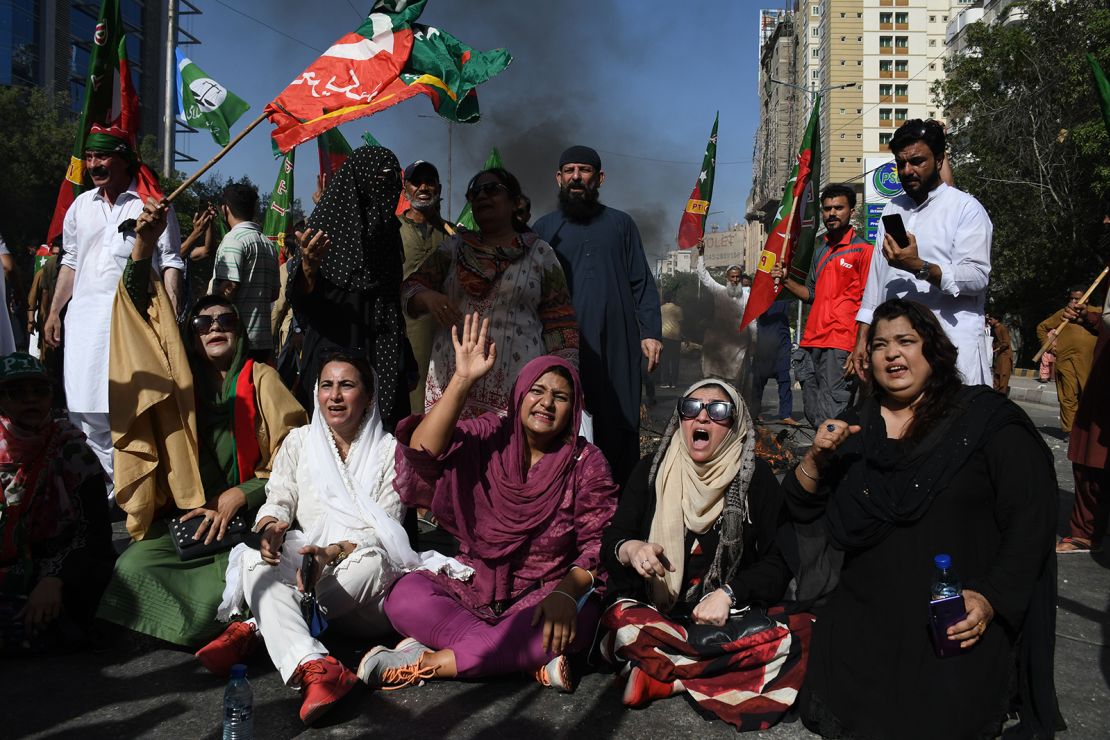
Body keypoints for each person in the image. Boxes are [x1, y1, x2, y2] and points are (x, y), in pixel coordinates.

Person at [784, 299, 1060, 739]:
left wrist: (990, 598)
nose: (892, 353)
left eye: (906, 341)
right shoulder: (856, 426)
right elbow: (800, 509)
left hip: (950, 632)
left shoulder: (984, 421)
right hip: (864, 637)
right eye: (879, 345)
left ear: (933, 351)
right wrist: (817, 458)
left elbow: (1032, 519)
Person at [198, 352, 468, 724]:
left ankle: (261, 626)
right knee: (250, 557)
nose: (335, 396)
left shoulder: (390, 451)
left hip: (362, 589)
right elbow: (278, 499)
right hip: (309, 568)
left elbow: (383, 532)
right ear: (316, 392)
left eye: (347, 385)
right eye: (327, 385)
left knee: (374, 559)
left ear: (369, 396)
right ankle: (317, 667)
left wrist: (331, 552)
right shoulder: (298, 442)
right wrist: (272, 527)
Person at [357, 316, 619, 692]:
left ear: (573, 408)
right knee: (401, 598)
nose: (546, 403)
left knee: (571, 623)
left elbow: (599, 544)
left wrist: (566, 593)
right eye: (537, 391)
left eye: (560, 397)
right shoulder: (490, 433)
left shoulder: (586, 462)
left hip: (547, 593)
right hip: (476, 587)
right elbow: (422, 451)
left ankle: (427, 663)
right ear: (520, 394)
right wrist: (462, 380)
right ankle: (518, 660)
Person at [95, 201, 306, 647]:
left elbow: (296, 458)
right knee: (130, 567)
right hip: (190, 524)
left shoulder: (262, 378)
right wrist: (144, 246)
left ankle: (232, 624)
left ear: (239, 329)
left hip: (249, 523)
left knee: (224, 597)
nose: (214, 327)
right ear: (191, 335)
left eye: (225, 321)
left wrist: (240, 494)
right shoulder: (179, 383)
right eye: (203, 322)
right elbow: (139, 314)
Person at [598, 379, 807, 729]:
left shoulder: (756, 479)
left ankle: (664, 674)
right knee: (620, 621)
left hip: (729, 622)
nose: (703, 418)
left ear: (735, 423)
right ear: (681, 418)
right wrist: (631, 549)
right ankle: (708, 672)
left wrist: (729, 594)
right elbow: (614, 540)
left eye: (718, 411)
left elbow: (779, 561)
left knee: (803, 630)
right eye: (691, 408)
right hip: (658, 616)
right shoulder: (651, 471)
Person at [43, 125, 185, 487]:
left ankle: (129, 487)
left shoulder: (151, 205)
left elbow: (170, 261)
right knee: (82, 404)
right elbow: (71, 261)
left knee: (123, 403)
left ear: (124, 160)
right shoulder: (80, 206)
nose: (93, 164)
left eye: (101, 157)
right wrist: (55, 311)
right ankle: (102, 486)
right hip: (84, 322)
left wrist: (169, 316)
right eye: (89, 157)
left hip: (131, 321)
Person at [402, 167, 578, 418]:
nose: (482, 196)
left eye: (492, 189)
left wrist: (564, 382)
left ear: (515, 202)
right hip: (451, 390)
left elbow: (561, 324)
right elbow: (410, 288)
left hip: (517, 392)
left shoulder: (540, 254)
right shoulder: (453, 249)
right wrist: (427, 297)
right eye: (475, 192)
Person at [533, 145, 662, 486]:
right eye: (569, 170)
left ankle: (620, 512)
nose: (577, 177)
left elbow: (641, 281)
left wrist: (650, 332)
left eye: (585, 170)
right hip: (560, 345)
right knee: (560, 421)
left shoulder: (621, 224)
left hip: (618, 343)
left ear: (599, 178)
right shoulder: (544, 229)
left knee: (619, 423)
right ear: (558, 178)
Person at [852, 119, 993, 386]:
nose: (907, 170)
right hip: (899, 355)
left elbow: (977, 277)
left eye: (917, 161)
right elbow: (876, 281)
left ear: (939, 160)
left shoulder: (965, 208)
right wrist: (863, 338)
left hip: (949, 351)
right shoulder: (892, 208)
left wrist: (921, 267)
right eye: (901, 163)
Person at [287, 145, 410, 428]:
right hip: (335, 349)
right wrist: (308, 268)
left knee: (383, 441)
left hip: (384, 351)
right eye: (381, 178)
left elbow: (391, 299)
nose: (388, 187)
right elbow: (302, 301)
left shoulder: (389, 232)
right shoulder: (326, 227)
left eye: (393, 179)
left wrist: (406, 358)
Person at [0, 352, 114, 651]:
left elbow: (95, 534)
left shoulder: (71, 450)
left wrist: (54, 579)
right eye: (17, 393)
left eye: (40, 391)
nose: (31, 400)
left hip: (60, 567)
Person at [773, 184, 873, 427]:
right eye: (827, 208)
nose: (832, 213)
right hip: (811, 341)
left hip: (841, 343)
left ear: (851, 210)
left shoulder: (864, 250)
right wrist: (786, 280)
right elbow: (811, 294)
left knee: (832, 413)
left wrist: (859, 346)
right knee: (812, 410)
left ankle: (829, 461)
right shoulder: (821, 251)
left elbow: (871, 303)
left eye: (838, 208)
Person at [1059, 271, 1110, 553]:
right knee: (1089, 452)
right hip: (1097, 378)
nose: (1105, 222)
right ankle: (1086, 530)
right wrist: (1088, 318)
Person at [399, 160, 450, 414]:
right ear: (405, 189)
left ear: (439, 188)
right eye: (416, 181)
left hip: (444, 336)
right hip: (402, 333)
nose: (423, 187)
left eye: (430, 181)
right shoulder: (392, 229)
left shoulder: (452, 235)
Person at [212, 183, 280, 363]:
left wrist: (210, 305)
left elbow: (230, 286)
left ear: (225, 209)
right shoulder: (268, 244)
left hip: (238, 340)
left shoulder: (233, 240)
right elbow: (274, 293)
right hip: (263, 340)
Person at [694, 243, 757, 411]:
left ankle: (734, 411)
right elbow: (703, 275)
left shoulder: (747, 296)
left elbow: (752, 321)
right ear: (727, 278)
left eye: (738, 277)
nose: (735, 280)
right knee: (714, 381)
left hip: (738, 348)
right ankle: (713, 408)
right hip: (718, 346)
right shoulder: (719, 291)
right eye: (732, 277)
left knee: (736, 383)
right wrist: (701, 254)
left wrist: (754, 342)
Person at [1037, 287, 1098, 433]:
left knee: (1089, 397)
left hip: (1088, 363)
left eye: (1077, 299)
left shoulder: (1096, 313)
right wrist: (1050, 347)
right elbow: (1042, 328)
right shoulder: (1064, 313)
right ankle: (1069, 431)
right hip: (1065, 362)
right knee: (1067, 398)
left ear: (1087, 298)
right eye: (1071, 298)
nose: (1073, 302)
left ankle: (1088, 432)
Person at [752, 298, 797, 424]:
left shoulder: (785, 294)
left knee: (784, 381)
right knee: (758, 383)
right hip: (763, 345)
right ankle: (754, 413)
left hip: (782, 347)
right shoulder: (761, 293)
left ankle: (786, 415)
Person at [179, 203, 219, 310]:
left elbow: (207, 250)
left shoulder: (185, 248)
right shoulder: (157, 247)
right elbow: (176, 255)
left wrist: (209, 222)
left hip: (185, 310)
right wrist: (197, 232)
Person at [658, 289, 683, 388]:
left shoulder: (660, 308)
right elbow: (681, 323)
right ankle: (674, 383)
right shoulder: (678, 309)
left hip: (664, 336)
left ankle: (665, 382)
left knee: (665, 360)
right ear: (673, 298)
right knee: (675, 361)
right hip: (676, 337)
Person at [987, 314, 1013, 396]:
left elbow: (1006, 343)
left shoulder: (1002, 328)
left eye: (991, 319)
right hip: (998, 356)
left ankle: (1002, 395)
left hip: (1005, 356)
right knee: (996, 375)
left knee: (1003, 376)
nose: (989, 321)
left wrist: (995, 350)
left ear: (997, 320)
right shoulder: (993, 329)